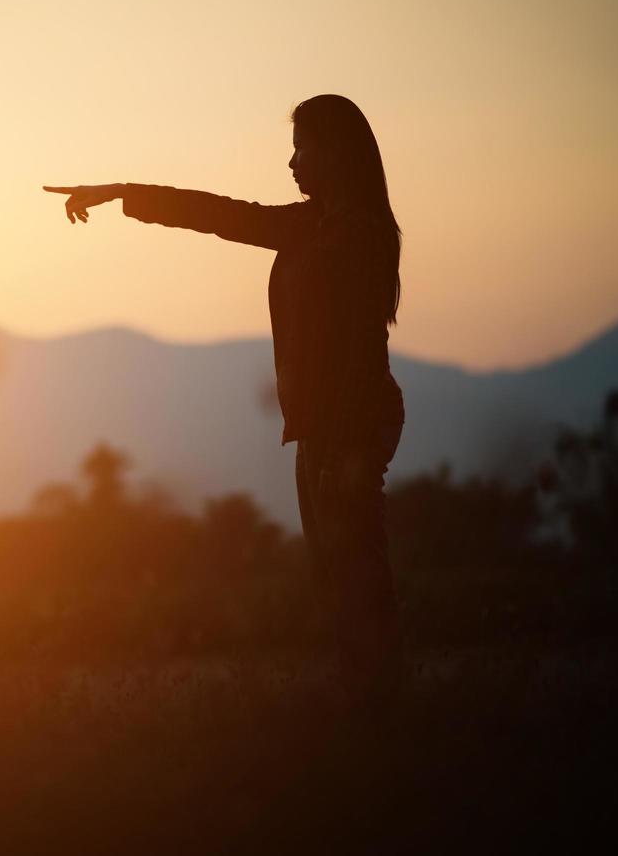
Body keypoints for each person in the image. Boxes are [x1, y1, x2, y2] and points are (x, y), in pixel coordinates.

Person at [43, 94, 406, 711]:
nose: (292, 162)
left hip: (350, 424)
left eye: (302, 147)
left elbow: (353, 352)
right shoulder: (311, 226)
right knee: (338, 572)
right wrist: (120, 191)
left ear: (335, 153)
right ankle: (368, 703)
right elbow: (217, 214)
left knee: (354, 571)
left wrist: (338, 442)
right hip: (325, 427)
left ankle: (382, 707)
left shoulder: (354, 236)